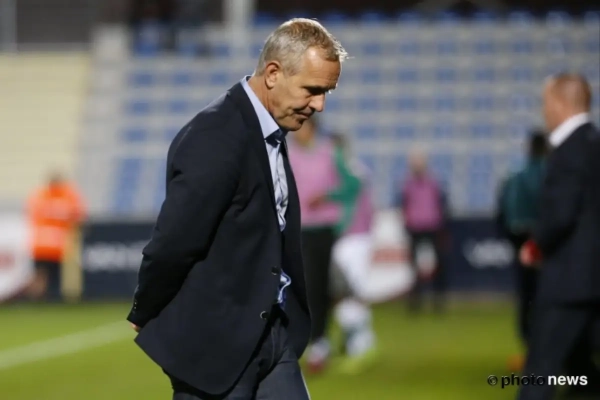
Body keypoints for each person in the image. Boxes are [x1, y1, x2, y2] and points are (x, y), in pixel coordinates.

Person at [126, 18, 347, 400]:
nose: (319, 105)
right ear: (273, 74)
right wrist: (146, 308)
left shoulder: (269, 130)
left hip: (272, 335)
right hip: (217, 346)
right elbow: (175, 241)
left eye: (326, 92)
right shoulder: (216, 137)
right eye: (312, 90)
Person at [517, 73, 600, 400]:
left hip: (569, 281)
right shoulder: (594, 143)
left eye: (546, 102)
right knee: (582, 375)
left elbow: (561, 214)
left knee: (540, 375)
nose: (543, 110)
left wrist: (536, 245)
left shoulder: (569, 150)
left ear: (561, 103)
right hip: (592, 280)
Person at [287, 117, 341, 373]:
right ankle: (304, 338)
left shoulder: (329, 153)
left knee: (318, 286)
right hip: (297, 228)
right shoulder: (287, 154)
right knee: (300, 286)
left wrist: (327, 196)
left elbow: (351, 185)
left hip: (323, 229)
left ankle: (319, 339)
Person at [323, 133, 377, 374]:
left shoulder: (353, 171)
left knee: (349, 291)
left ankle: (361, 345)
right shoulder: (347, 171)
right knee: (343, 291)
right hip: (346, 237)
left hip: (354, 238)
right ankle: (355, 343)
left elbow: (349, 204)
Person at [495, 131, 548, 371]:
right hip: (552, 247)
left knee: (527, 298)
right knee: (551, 300)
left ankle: (531, 351)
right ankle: (551, 354)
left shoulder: (515, 178)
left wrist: (515, 242)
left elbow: (503, 215)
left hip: (523, 245)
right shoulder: (555, 176)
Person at [395, 150, 448, 314]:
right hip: (415, 227)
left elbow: (442, 204)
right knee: (414, 268)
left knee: (439, 265)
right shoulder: (406, 184)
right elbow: (402, 204)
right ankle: (415, 302)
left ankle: (438, 301)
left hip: (433, 226)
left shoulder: (434, 182)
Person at [26, 171, 85, 301]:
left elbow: (31, 213)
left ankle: (36, 299)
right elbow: (79, 216)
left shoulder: (40, 196)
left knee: (41, 275)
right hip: (57, 245)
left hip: (41, 245)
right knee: (53, 277)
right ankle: (47, 298)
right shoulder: (68, 196)